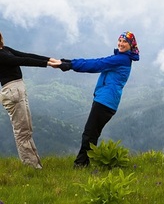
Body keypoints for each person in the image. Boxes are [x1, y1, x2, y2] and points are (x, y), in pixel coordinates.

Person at [56, 31, 139, 168]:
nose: (121, 44)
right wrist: (68, 63)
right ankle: (85, 163)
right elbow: (99, 62)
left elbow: (97, 64)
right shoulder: (121, 58)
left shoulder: (121, 59)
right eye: (119, 40)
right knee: (92, 133)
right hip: (106, 101)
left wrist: (70, 65)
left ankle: (81, 164)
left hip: (105, 102)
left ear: (131, 45)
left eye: (125, 42)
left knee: (89, 133)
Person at [0, 31, 60, 169]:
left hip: (17, 89)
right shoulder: (0, 55)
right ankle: (31, 167)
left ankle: (36, 165)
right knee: (21, 132)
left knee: (26, 130)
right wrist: (47, 64)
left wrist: (49, 59)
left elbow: (25, 55)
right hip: (12, 92)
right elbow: (22, 61)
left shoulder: (5, 49)